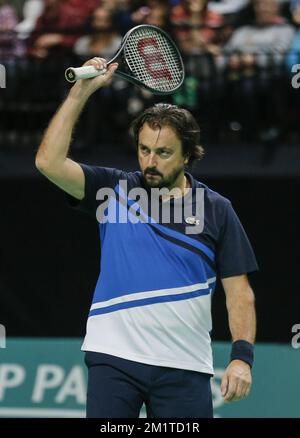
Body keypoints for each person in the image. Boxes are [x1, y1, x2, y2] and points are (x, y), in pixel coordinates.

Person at [35, 57, 258, 418]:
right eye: (144, 150)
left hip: (184, 365)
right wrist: (80, 93)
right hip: (114, 358)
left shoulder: (216, 209)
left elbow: (239, 292)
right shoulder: (113, 189)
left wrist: (241, 358)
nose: (150, 162)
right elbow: (48, 162)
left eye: (164, 152)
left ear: (188, 154)